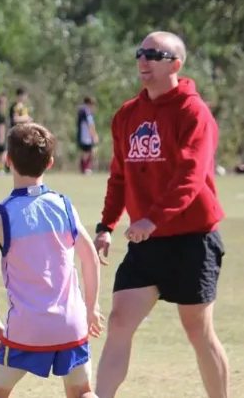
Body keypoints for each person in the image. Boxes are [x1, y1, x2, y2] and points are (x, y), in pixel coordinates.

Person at [93, 31, 229, 398]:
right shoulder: (127, 115)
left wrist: (153, 218)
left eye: (154, 54)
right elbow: (119, 176)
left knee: (197, 330)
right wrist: (106, 224)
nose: (144, 60)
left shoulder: (192, 111)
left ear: (176, 64)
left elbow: (191, 175)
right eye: (141, 52)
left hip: (191, 239)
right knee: (120, 320)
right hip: (146, 242)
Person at [0, 123, 104, 398]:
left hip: (27, 327)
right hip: (72, 323)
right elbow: (90, 259)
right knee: (82, 391)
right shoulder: (64, 205)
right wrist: (92, 308)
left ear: (8, 160)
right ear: (50, 163)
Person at [76, 96, 99, 174]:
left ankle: (84, 169)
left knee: (87, 152)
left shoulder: (81, 110)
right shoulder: (86, 111)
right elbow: (90, 125)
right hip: (86, 136)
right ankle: (85, 169)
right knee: (88, 152)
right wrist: (94, 135)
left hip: (83, 135)